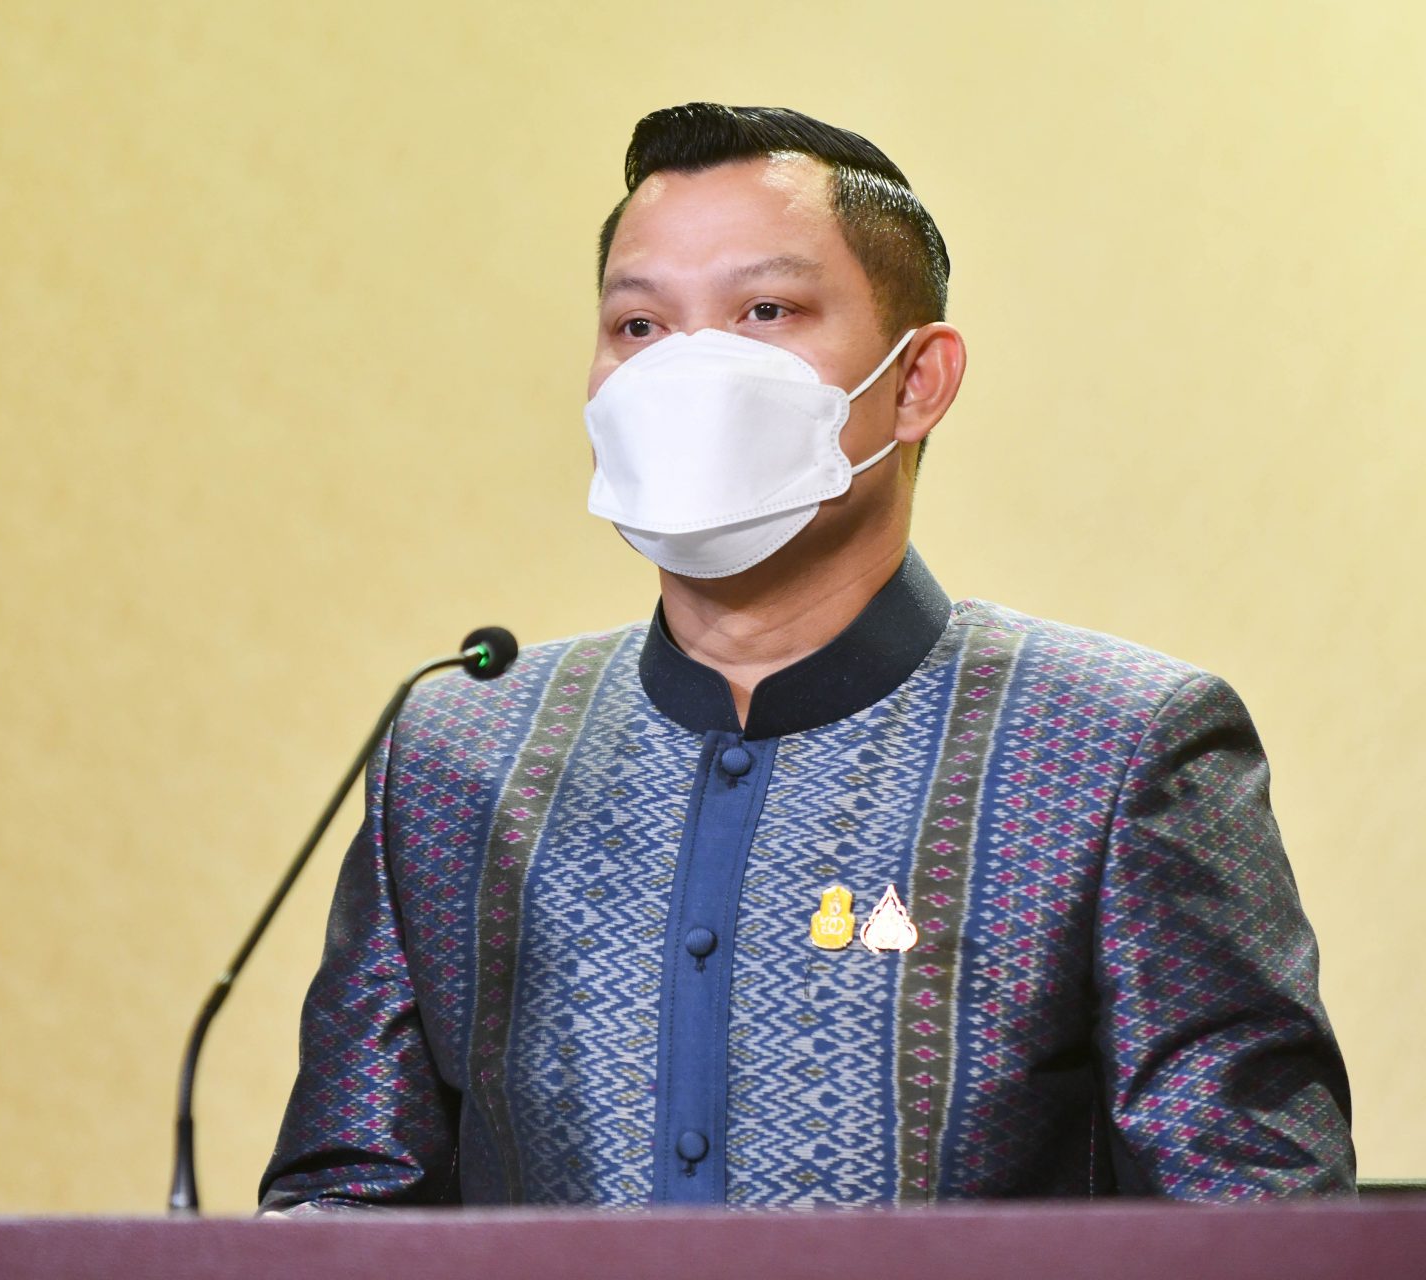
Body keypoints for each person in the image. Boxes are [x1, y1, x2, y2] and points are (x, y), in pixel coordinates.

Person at [258, 102, 1353, 1209]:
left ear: (917, 381)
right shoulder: (459, 753)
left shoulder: (1113, 747)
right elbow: (345, 1206)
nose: (688, 368)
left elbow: (1257, 1226)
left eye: (765, 310)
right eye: (638, 325)